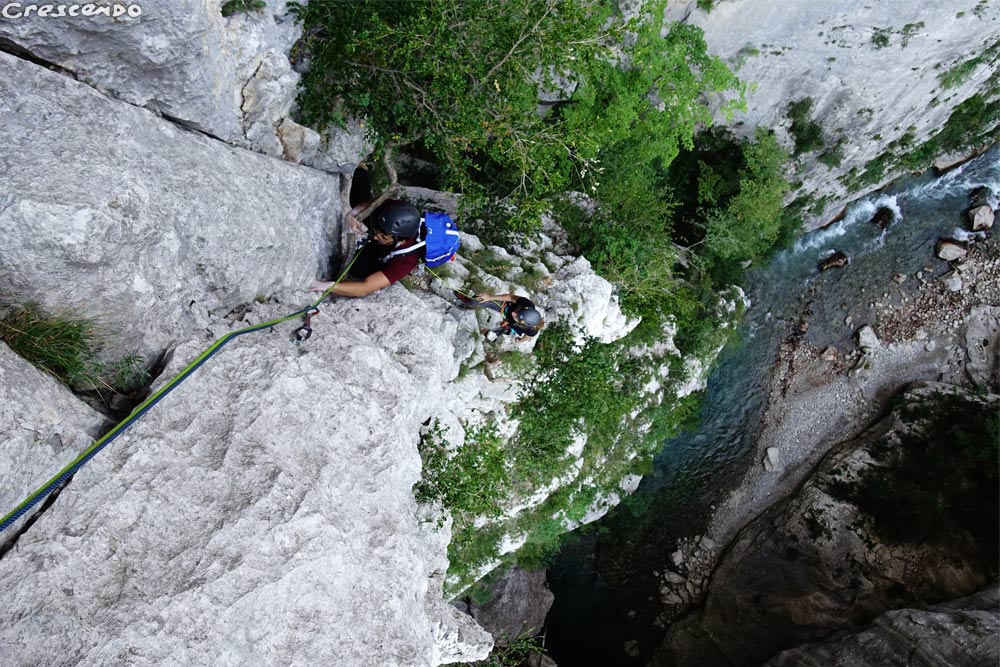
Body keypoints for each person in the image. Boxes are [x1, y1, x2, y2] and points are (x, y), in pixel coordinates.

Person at [310, 165, 422, 298]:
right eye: (377, 231)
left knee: (359, 267)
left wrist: (327, 286)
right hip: (382, 226)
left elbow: (365, 288)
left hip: (380, 258)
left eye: (383, 235)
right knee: (358, 198)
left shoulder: (405, 261)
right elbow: (372, 203)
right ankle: (362, 168)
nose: (375, 236)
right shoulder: (395, 211)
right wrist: (352, 215)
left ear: (401, 240)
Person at [472, 292, 544, 342]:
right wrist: (490, 297)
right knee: (476, 300)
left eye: (516, 317)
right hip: (506, 308)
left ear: (522, 324)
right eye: (518, 311)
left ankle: (502, 331)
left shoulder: (531, 330)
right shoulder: (527, 304)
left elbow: (528, 336)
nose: (513, 313)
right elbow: (511, 297)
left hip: (511, 324)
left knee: (507, 329)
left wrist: (520, 341)